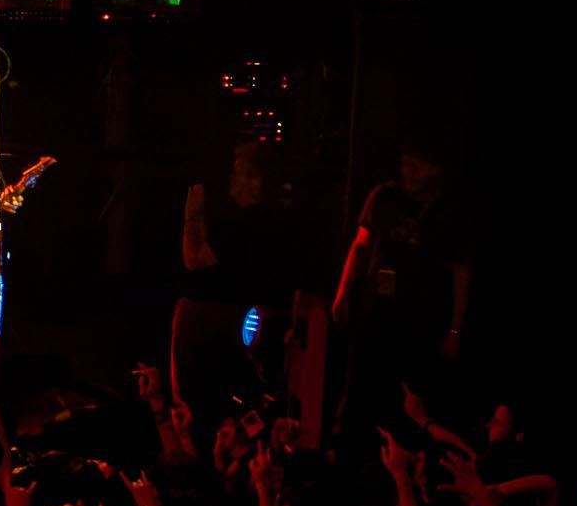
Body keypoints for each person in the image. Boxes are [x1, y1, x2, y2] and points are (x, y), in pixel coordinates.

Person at [330, 138, 470, 443]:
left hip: (418, 321)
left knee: (406, 401)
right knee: (357, 389)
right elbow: (360, 244)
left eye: (417, 168)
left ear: (434, 170)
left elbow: (460, 271)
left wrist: (454, 332)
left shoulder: (445, 210)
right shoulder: (385, 196)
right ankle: (345, 450)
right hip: (374, 310)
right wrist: (342, 295)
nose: (409, 173)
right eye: (406, 165)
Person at [170, 141, 307, 438]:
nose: (231, 180)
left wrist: (193, 214)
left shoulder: (252, 222)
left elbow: (195, 258)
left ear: (256, 179)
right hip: (236, 322)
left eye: (238, 173)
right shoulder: (274, 221)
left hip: (224, 321)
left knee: (208, 408)